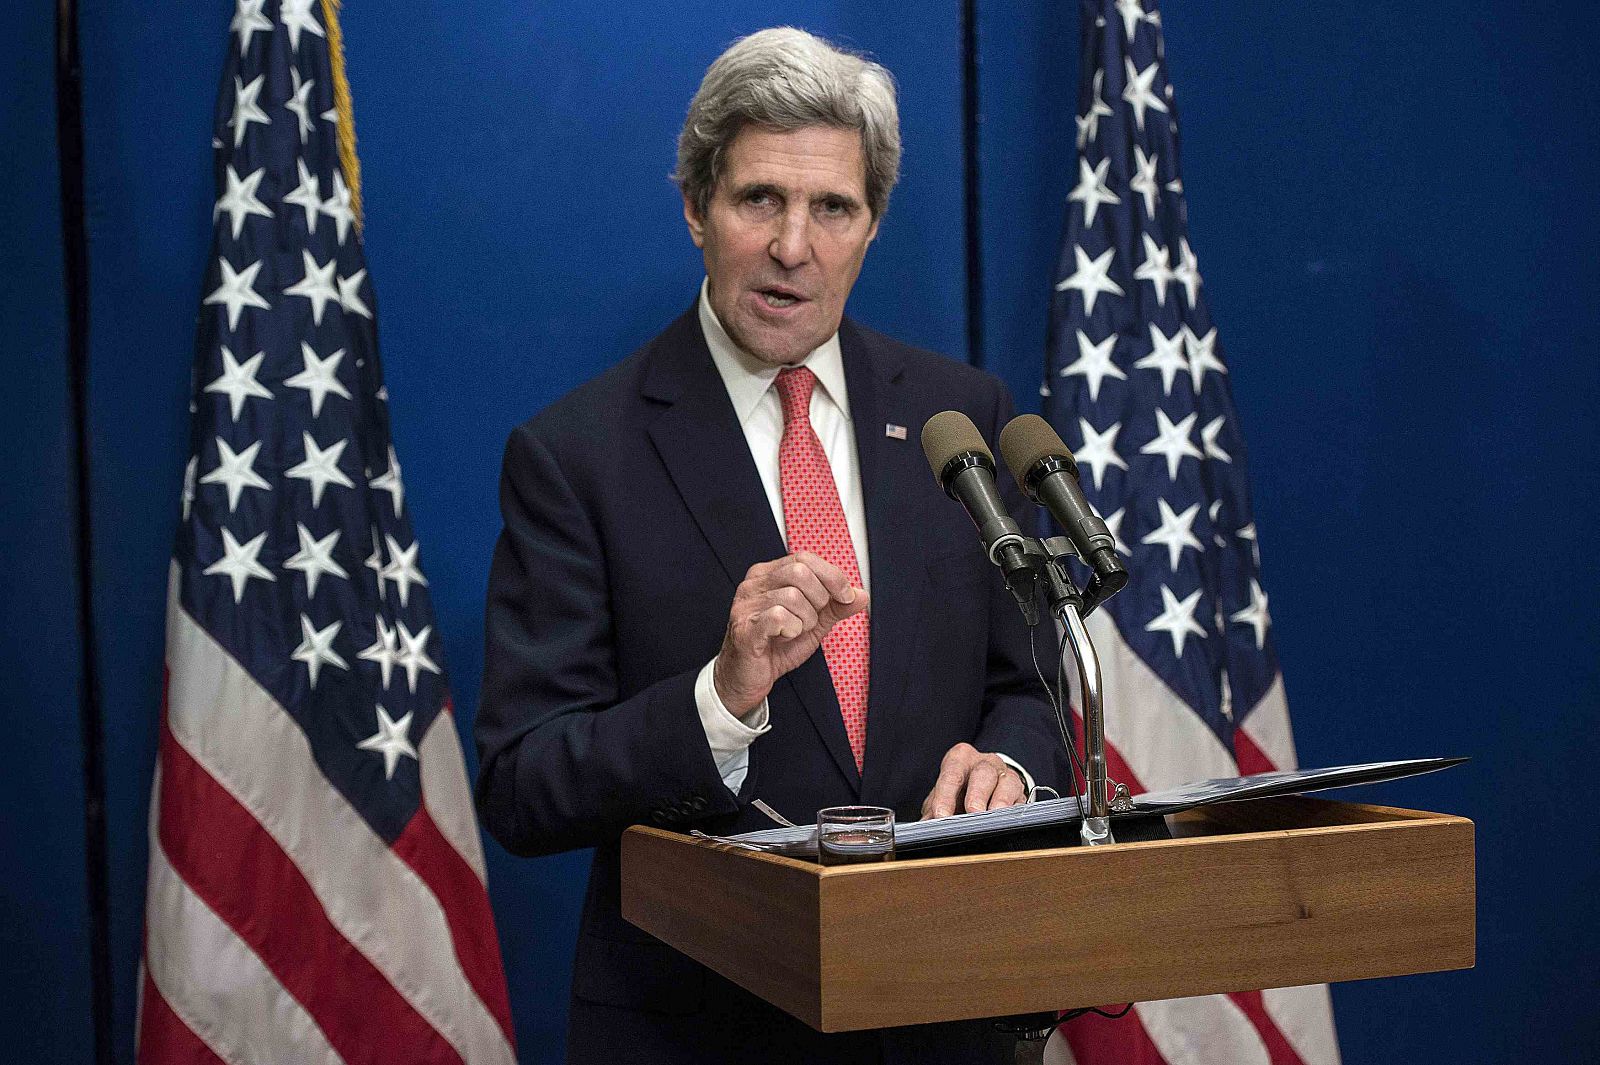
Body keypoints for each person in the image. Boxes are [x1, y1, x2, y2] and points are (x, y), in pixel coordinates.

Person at [475, 26, 1068, 1065]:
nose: (794, 246)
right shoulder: (576, 454)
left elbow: (1030, 685)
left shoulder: (957, 418)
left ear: (872, 224)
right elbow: (524, 784)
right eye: (760, 200)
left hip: (945, 1008)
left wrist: (1012, 768)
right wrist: (719, 699)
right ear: (696, 205)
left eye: (831, 207)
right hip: (699, 1026)